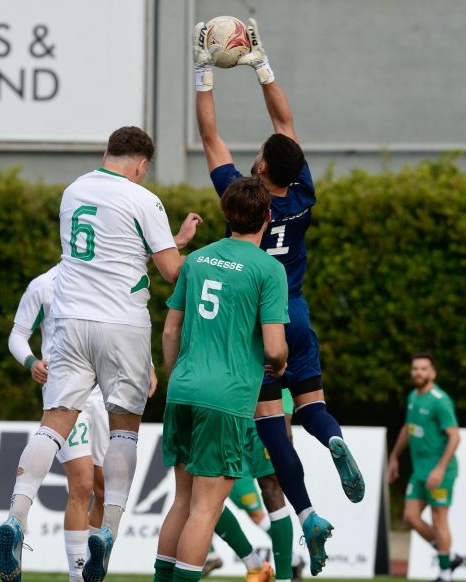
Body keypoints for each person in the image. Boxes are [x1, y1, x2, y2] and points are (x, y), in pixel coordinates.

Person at [192, 17, 365, 575]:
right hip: (296, 313)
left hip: (257, 324)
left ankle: (308, 511)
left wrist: (204, 71)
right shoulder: (304, 193)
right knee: (311, 407)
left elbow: (210, 139)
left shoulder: (241, 195)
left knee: (271, 424)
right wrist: (260, 65)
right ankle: (332, 439)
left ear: (262, 167)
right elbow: (284, 122)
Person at [0, 126, 202, 582]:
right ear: (142, 165)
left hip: (70, 321)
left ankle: (15, 515)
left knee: (53, 423)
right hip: (122, 324)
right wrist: (203, 259)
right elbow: (172, 273)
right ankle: (107, 529)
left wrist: (173, 238)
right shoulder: (144, 199)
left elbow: (113, 249)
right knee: (125, 427)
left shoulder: (73, 192)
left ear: (107, 152)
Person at [154, 176, 288, 582]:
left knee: (182, 502)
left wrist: (178, 378)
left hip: (183, 389)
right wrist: (280, 365)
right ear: (268, 216)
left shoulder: (196, 260)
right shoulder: (269, 269)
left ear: (226, 213)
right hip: (225, 398)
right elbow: (275, 348)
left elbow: (170, 332)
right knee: (205, 510)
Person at [9, 263, 157, 582]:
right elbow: (17, 335)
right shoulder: (44, 285)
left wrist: (148, 364)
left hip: (105, 395)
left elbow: (127, 322)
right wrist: (31, 361)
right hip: (67, 391)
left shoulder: (105, 275)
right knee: (82, 483)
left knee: (102, 489)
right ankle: (77, 574)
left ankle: (91, 569)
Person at [204, 390, 304, 582]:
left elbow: (282, 375)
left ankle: (283, 564)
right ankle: (247, 562)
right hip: (226, 420)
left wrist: (284, 417)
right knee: (203, 496)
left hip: (260, 420)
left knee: (265, 502)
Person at [387, 354, 464, 582]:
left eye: (423, 368)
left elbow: (455, 437)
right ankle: (448, 556)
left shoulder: (440, 401)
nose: (418, 372)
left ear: (433, 373)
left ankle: (445, 574)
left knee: (439, 519)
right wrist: (394, 457)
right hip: (420, 472)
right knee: (410, 517)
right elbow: (407, 427)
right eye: (415, 368)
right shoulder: (413, 397)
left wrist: (439, 469)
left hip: (441, 472)